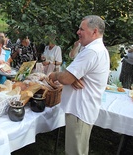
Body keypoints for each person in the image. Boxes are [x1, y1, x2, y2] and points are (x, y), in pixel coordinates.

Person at [49, 15, 110, 155]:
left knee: (75, 152)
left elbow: (65, 78)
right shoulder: (95, 49)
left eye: (81, 29)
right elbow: (72, 76)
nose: (78, 32)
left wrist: (56, 75)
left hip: (80, 111)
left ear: (94, 32)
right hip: (82, 110)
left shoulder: (92, 51)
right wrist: (72, 78)